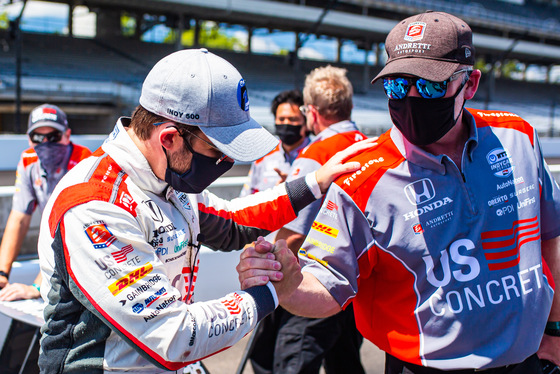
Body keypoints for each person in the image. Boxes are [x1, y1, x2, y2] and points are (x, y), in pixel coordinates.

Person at [238, 11, 560, 373]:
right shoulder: (361, 179)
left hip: (532, 359)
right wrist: (288, 287)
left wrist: (555, 330)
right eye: (396, 85)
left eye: (429, 86)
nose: (409, 97)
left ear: (469, 85)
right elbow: (328, 287)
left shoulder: (518, 137)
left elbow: (550, 239)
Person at [36, 48, 375, 373]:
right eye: (218, 151)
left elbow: (235, 221)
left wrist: (314, 183)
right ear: (169, 138)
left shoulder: (166, 180)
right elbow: (173, 337)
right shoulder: (96, 205)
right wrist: (273, 292)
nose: (225, 163)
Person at [255, 66, 365, 374]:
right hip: (359, 284)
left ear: (312, 112)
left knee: (290, 362)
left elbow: (290, 234)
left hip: (319, 281)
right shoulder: (371, 147)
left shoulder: (316, 154)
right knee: (346, 364)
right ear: (349, 106)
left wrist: (272, 277)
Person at [0, 104, 91, 301]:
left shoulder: (85, 163)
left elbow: (73, 233)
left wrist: (37, 286)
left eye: (53, 137)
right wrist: (2, 273)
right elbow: (19, 219)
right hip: (59, 251)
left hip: (89, 252)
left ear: (67, 135)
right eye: (38, 138)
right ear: (28, 139)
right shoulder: (27, 162)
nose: (46, 143)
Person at [239, 89, 310, 197]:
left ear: (305, 122)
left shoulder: (316, 155)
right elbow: (246, 197)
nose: (286, 123)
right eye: (281, 119)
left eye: (292, 119)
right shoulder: (263, 155)